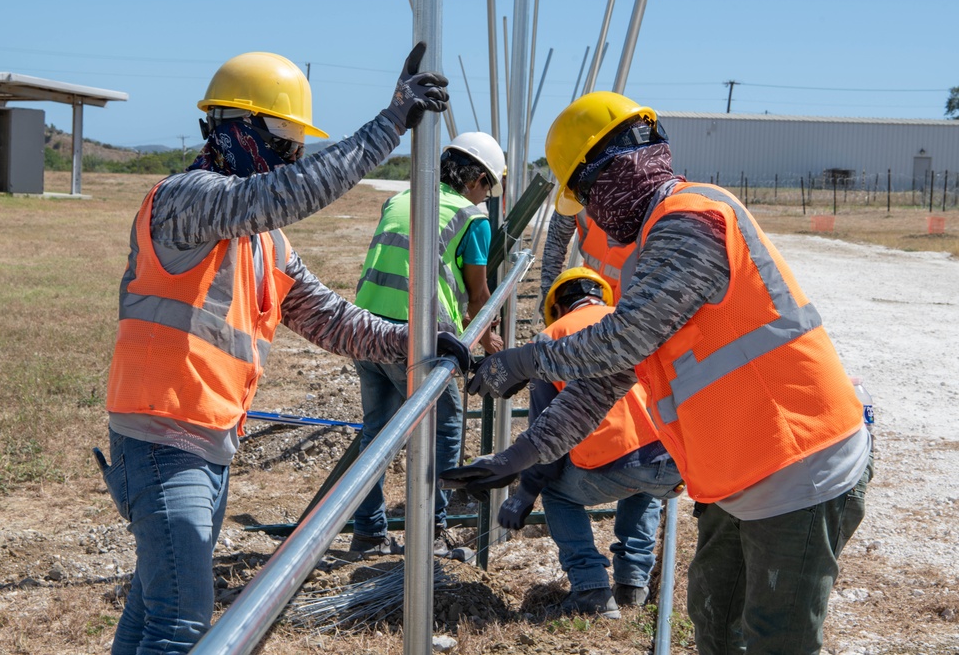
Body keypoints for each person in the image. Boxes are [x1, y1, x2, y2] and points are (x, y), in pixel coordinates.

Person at [443, 91, 873, 654]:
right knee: (714, 622)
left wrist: (525, 359)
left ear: (614, 167)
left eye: (589, 196)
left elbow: (624, 338)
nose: (592, 214)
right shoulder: (648, 249)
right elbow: (606, 377)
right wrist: (523, 456)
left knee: (776, 642)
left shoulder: (692, 219)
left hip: (800, 463)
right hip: (737, 474)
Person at [94, 43, 469, 654]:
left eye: (298, 146)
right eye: (284, 141)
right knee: (182, 624)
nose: (293, 157)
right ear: (237, 128)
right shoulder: (184, 201)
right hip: (161, 437)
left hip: (204, 440)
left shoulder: (263, 241)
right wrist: (388, 124)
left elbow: (331, 320)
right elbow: (291, 192)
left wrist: (414, 342)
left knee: (152, 607)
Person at [350, 131, 506, 559]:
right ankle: (431, 534)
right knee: (444, 430)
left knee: (377, 433)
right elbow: (478, 295)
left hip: (364, 328)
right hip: (417, 337)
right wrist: (489, 338)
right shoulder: (473, 218)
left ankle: (367, 533)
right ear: (474, 178)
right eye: (487, 185)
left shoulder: (402, 198)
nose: (486, 196)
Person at [496, 267, 683, 619]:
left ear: (556, 308)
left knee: (557, 493)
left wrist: (525, 493)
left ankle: (591, 589)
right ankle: (632, 584)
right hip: (671, 462)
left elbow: (546, 440)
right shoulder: (634, 322)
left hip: (608, 469)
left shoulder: (550, 340)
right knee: (642, 482)